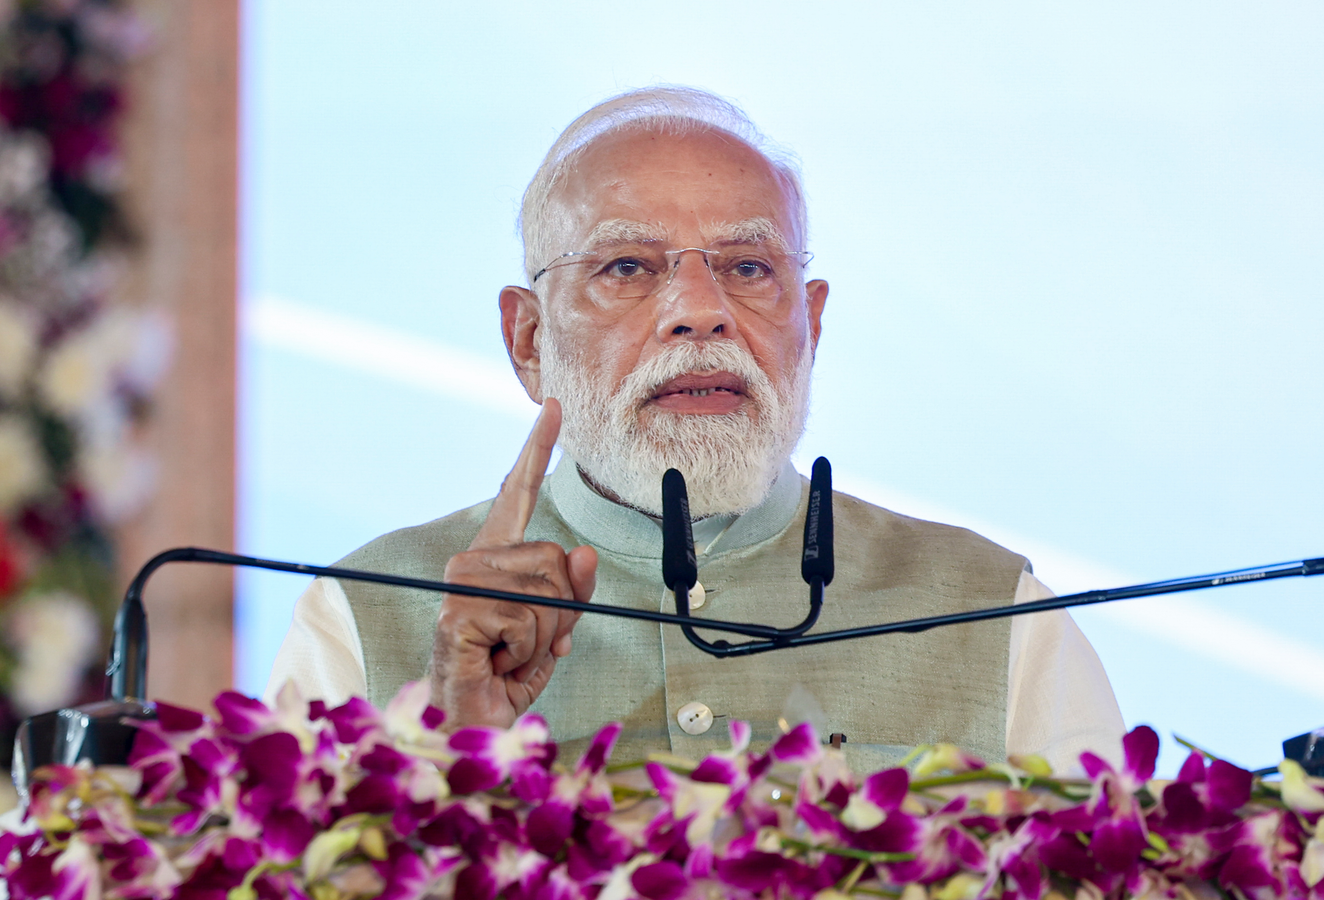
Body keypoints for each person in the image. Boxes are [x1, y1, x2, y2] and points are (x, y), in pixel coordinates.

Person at [267, 86, 1124, 774]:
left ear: (811, 325)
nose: (700, 311)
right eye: (627, 267)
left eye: (748, 267)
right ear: (528, 340)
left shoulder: (997, 615)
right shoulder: (362, 617)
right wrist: (450, 756)